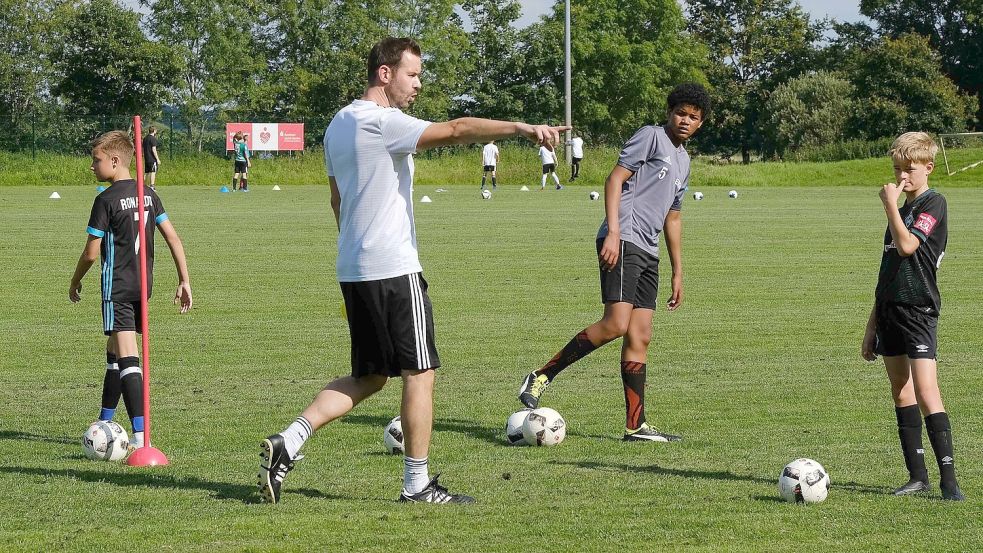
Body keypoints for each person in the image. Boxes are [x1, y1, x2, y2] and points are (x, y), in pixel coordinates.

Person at [258, 36, 567, 505]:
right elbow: (459, 129)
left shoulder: (338, 123)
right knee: (420, 373)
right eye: (413, 74)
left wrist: (356, 248)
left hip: (355, 267)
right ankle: (417, 484)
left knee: (369, 377)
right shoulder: (384, 121)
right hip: (392, 267)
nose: (418, 84)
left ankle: (290, 440)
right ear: (385, 73)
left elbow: (337, 198)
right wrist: (522, 128)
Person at [517, 83, 710, 442]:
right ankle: (541, 376)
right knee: (617, 323)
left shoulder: (684, 162)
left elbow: (673, 217)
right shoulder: (650, 137)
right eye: (681, 113)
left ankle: (635, 426)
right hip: (624, 239)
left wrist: (678, 271)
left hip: (648, 250)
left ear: (700, 124)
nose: (686, 120)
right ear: (670, 113)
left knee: (641, 335)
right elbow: (614, 179)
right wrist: (614, 232)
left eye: (693, 117)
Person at [69, 130, 193, 452]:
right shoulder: (149, 194)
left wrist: (75, 279)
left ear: (114, 160)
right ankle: (104, 421)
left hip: (117, 288)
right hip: (142, 288)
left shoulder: (105, 200)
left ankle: (142, 440)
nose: (92, 167)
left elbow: (91, 253)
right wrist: (184, 280)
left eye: (96, 160)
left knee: (127, 357)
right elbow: (173, 238)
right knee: (114, 354)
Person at [861, 132, 964, 501]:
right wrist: (872, 324)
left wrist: (889, 205)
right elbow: (887, 268)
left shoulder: (934, 203)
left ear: (928, 168)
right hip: (889, 310)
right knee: (900, 391)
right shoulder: (902, 210)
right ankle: (916, 476)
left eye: (910, 169)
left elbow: (907, 246)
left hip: (918, 310)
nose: (902, 176)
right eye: (897, 169)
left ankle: (949, 482)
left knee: (925, 390)